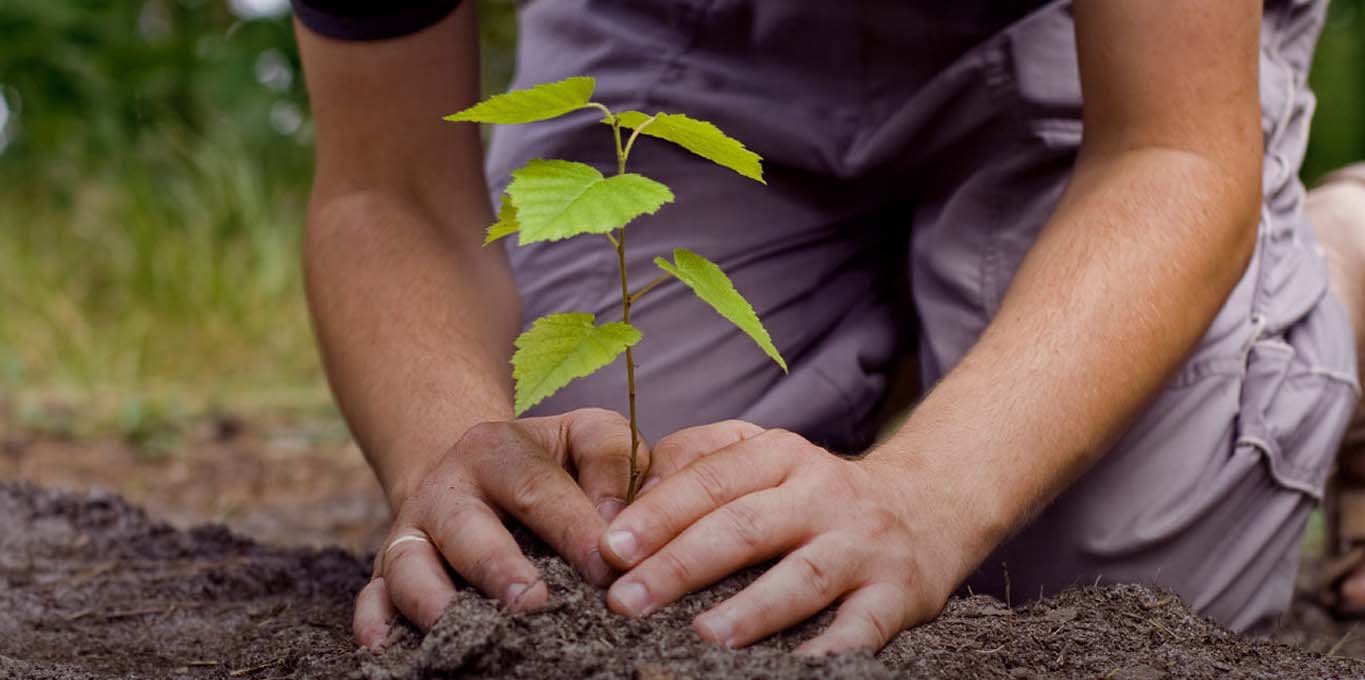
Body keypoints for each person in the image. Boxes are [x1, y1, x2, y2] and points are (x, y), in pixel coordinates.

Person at [291, 0, 1365, 654]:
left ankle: (1345, 252)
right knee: (620, 512)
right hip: (689, 26)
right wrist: (446, 441)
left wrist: (932, 493)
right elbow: (387, 187)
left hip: (1097, 40)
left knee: (1095, 579)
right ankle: (927, 322)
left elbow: (1170, 149)